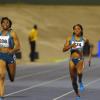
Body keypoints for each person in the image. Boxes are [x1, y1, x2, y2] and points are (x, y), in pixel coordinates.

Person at [63, 24, 92, 100]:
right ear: (73, 30)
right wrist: (71, 46)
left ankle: (80, 80)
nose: (77, 30)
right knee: (73, 80)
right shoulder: (69, 39)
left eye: (78, 29)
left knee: (79, 73)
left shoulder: (85, 39)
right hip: (72, 60)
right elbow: (64, 49)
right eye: (75, 29)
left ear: (81, 30)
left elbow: (90, 47)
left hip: (80, 59)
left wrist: (89, 57)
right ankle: (77, 94)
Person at [0, 17, 20, 100]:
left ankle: (10, 71)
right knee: (1, 76)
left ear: (9, 24)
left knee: (11, 77)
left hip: (10, 56)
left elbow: (18, 46)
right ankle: (1, 96)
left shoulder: (12, 33)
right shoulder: (0, 34)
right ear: (1, 24)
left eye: (7, 22)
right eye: (3, 22)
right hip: (1, 56)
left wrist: (12, 51)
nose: (5, 24)